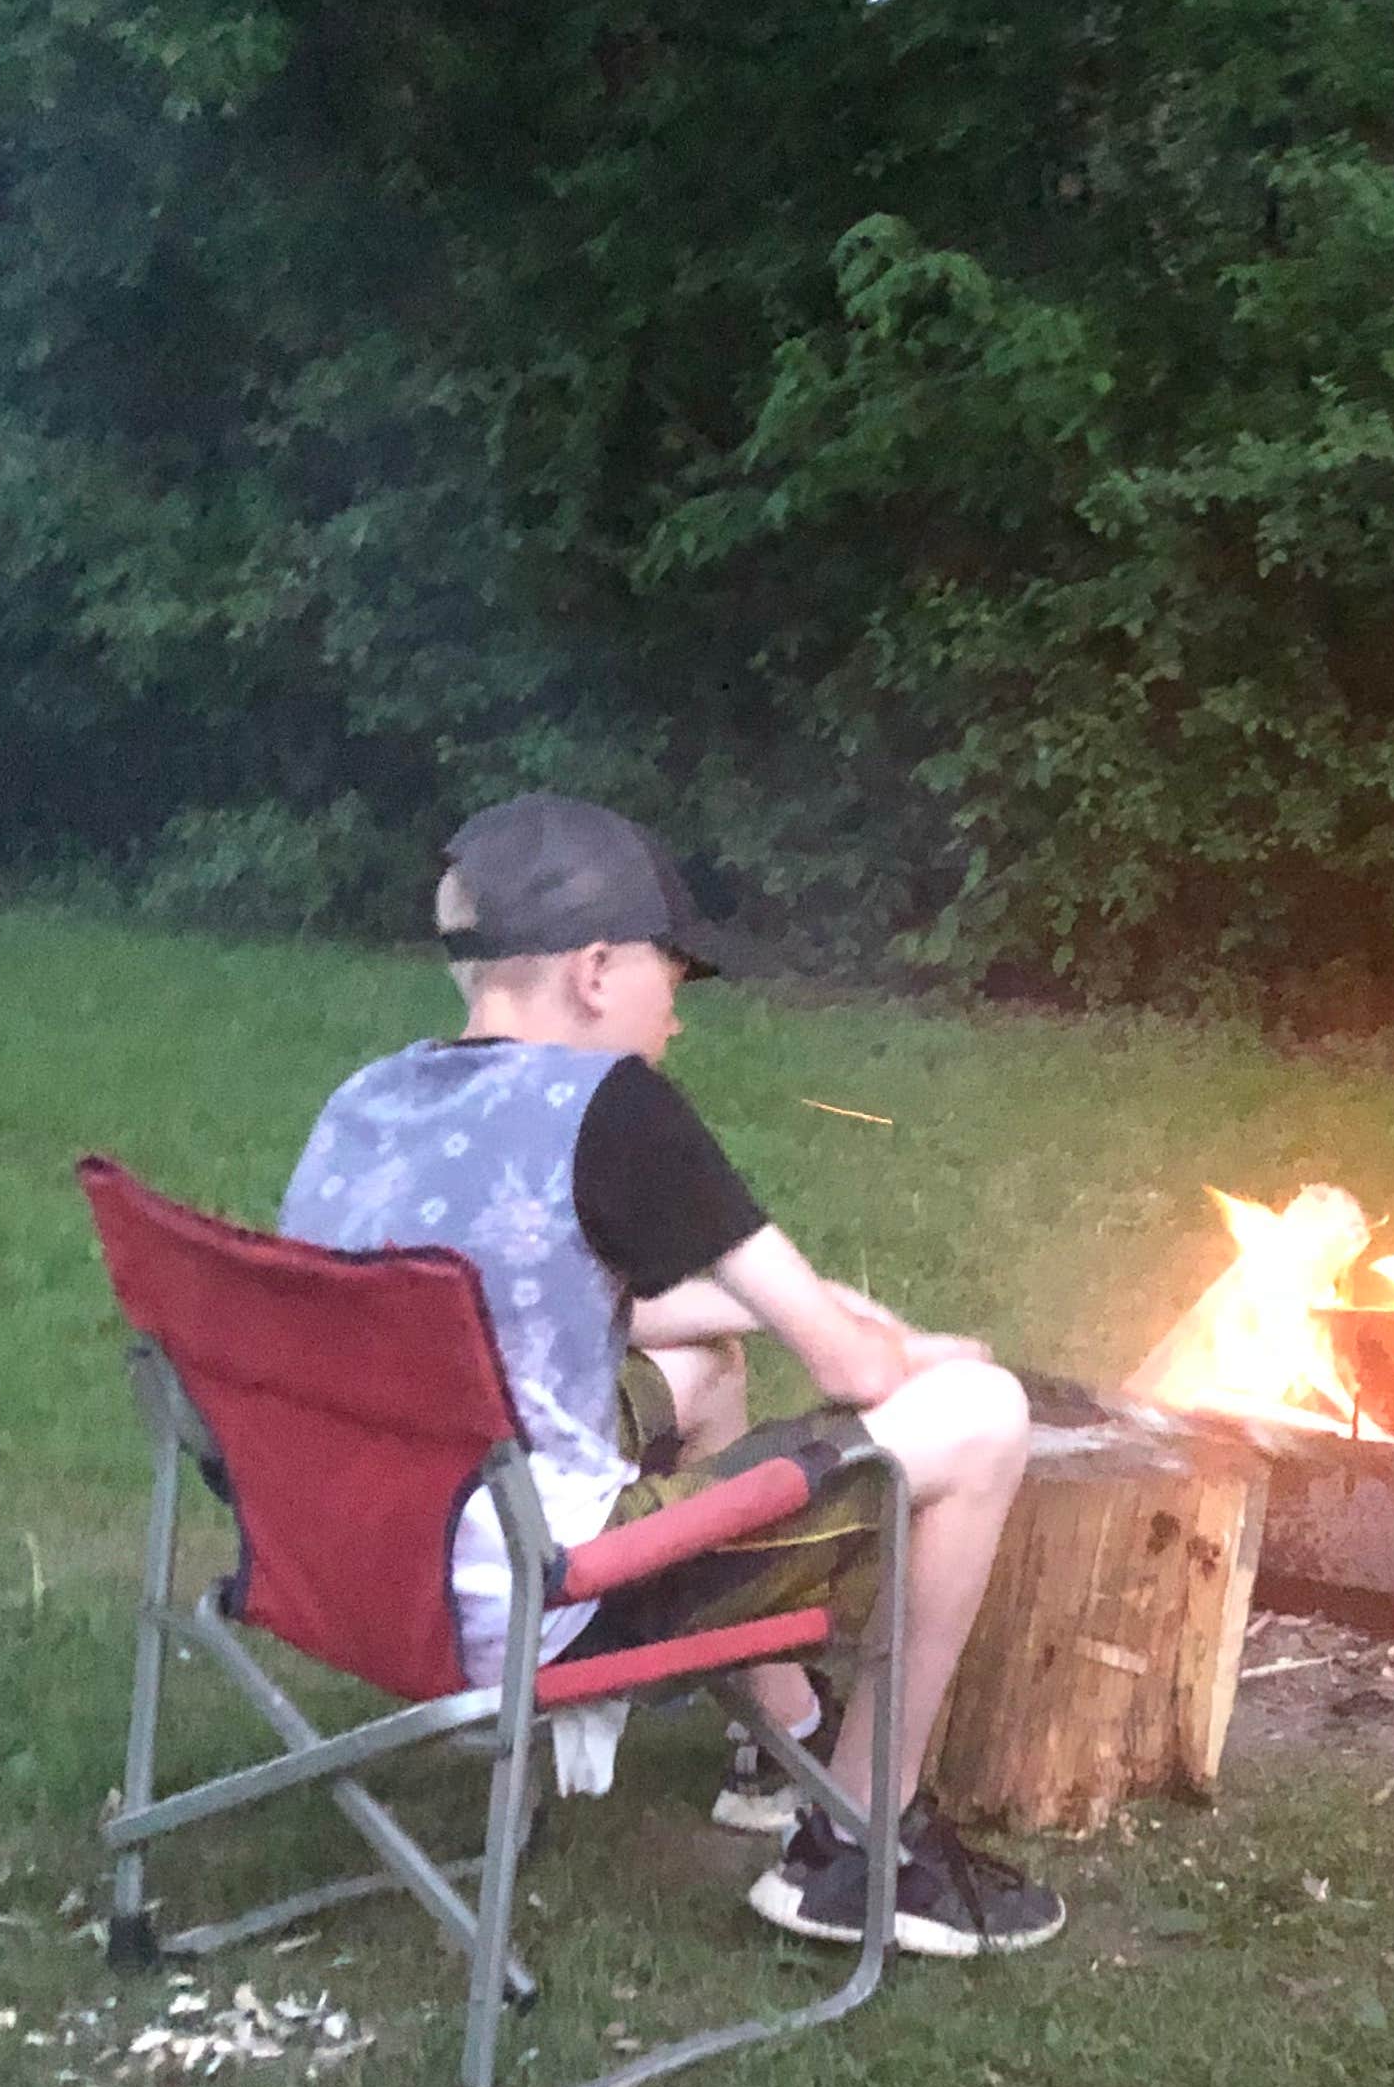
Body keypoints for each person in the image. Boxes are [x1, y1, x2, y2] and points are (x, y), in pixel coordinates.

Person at [278, 792, 1062, 1960]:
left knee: (697, 1365)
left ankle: (776, 1737)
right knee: (986, 1418)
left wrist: (810, 1309)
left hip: (345, 1568)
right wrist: (911, 1352)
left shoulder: (376, 1096)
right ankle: (859, 1848)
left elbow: (548, 1294)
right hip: (540, 1601)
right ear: (596, 969)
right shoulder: (614, 1109)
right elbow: (853, 1372)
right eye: (672, 982)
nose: (676, 1022)